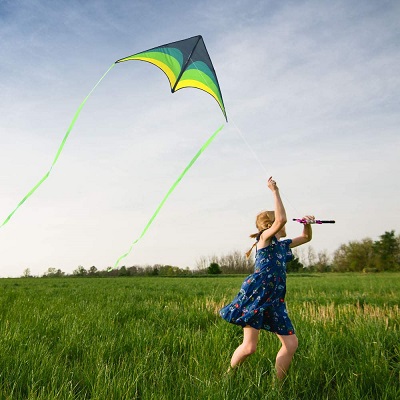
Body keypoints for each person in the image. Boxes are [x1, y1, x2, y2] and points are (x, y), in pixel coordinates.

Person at [219, 177, 314, 380]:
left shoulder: (283, 244)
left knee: (291, 344)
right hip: (257, 294)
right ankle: (228, 376)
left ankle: (277, 387)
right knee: (250, 347)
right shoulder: (263, 239)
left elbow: (306, 238)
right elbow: (281, 220)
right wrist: (274, 191)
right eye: (277, 219)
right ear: (269, 224)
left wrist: (307, 224)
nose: (283, 219)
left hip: (276, 297)